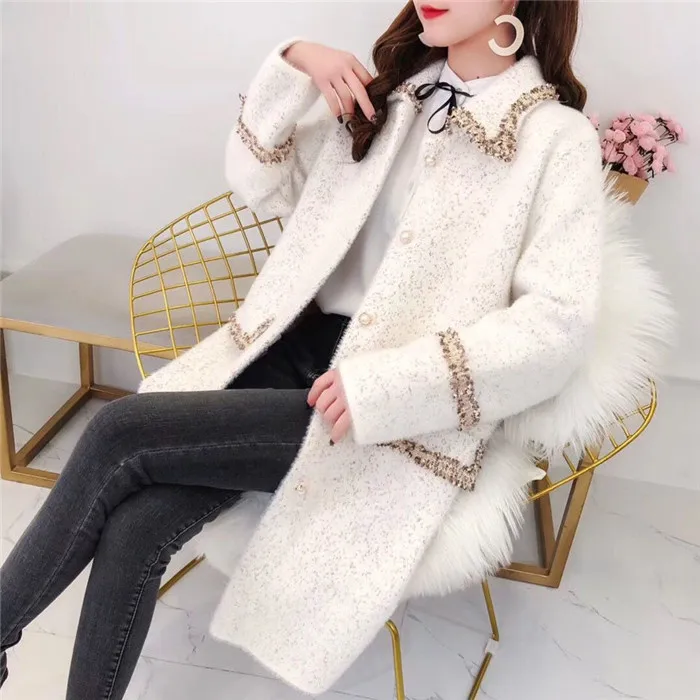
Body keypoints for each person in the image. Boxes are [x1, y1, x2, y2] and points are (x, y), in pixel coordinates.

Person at [1, 1, 615, 696]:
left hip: (392, 411)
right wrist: (294, 63)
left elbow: (556, 330)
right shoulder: (391, 100)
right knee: (138, 525)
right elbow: (258, 179)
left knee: (118, 431)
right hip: (286, 356)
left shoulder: (554, 138)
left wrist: (388, 387)